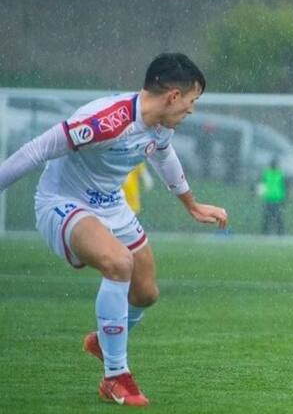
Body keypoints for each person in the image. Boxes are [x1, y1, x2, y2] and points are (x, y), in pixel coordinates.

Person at [0, 53, 228, 407]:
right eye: (192, 100)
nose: (192, 110)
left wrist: (192, 205)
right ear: (172, 96)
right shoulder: (107, 121)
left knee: (146, 292)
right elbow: (37, 150)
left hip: (111, 204)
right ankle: (115, 375)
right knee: (119, 263)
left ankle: (103, 341)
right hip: (64, 202)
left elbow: (163, 156)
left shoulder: (161, 126)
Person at [257, 157, 286, 235]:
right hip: (272, 199)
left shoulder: (270, 173)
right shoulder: (276, 173)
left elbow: (284, 186)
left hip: (274, 199)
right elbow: (262, 185)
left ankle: (278, 232)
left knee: (274, 217)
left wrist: (284, 198)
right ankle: (272, 232)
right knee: (271, 217)